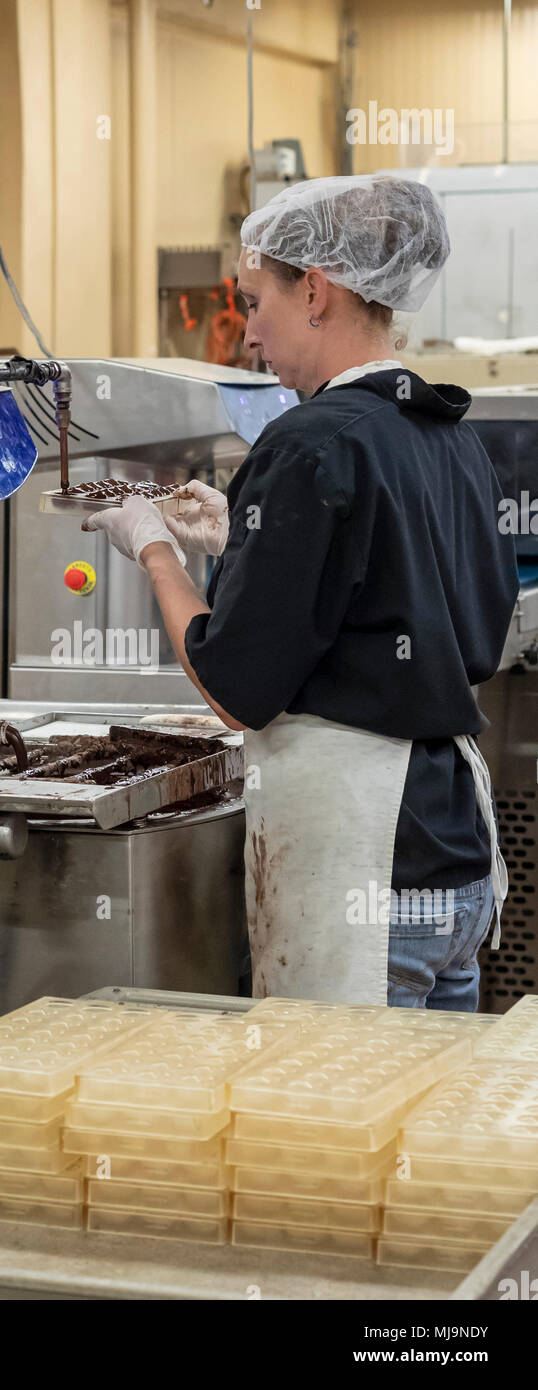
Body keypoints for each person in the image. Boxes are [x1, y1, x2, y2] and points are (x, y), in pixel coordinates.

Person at [84, 173, 519, 1009]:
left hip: (369, 873)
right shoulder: (448, 433)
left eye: (254, 302)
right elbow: (432, 616)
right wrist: (239, 541)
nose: (247, 334)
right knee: (419, 1131)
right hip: (456, 857)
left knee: (337, 1132)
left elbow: (233, 688)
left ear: (314, 290)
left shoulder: (309, 442)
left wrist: (154, 551)